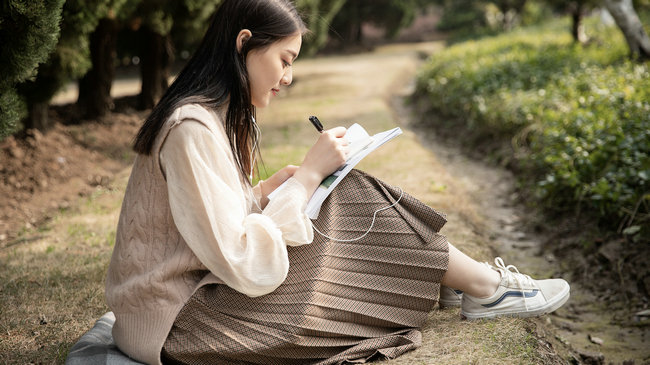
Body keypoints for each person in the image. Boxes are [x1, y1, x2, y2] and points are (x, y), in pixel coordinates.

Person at [105, 0, 570, 364]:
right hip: (184, 327)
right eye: (284, 60)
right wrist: (306, 177)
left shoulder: (210, 118)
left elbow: (204, 220)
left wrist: (268, 190)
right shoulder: (192, 126)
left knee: (338, 187)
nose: (287, 77)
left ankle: (461, 281)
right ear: (244, 43)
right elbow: (243, 260)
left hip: (195, 306)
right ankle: (481, 287)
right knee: (342, 192)